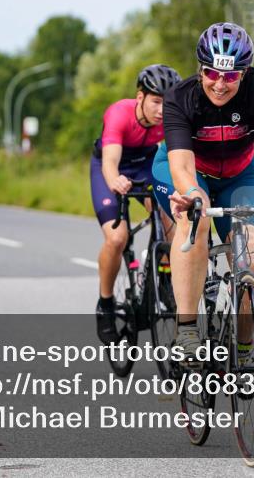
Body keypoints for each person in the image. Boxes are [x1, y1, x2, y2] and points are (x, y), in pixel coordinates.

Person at [152, 22, 254, 364]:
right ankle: (186, 330)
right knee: (196, 221)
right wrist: (193, 195)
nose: (220, 84)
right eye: (212, 73)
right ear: (201, 69)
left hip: (240, 175)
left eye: (231, 76)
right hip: (186, 170)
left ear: (245, 73)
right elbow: (181, 165)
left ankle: (243, 350)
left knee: (253, 257)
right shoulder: (180, 98)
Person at [91, 64, 181, 344]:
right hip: (112, 168)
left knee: (170, 213)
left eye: (167, 103)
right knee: (117, 238)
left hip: (146, 166)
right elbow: (109, 162)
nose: (161, 110)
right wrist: (114, 180)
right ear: (140, 97)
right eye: (156, 101)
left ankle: (165, 275)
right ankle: (105, 305)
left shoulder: (170, 119)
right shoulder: (119, 113)